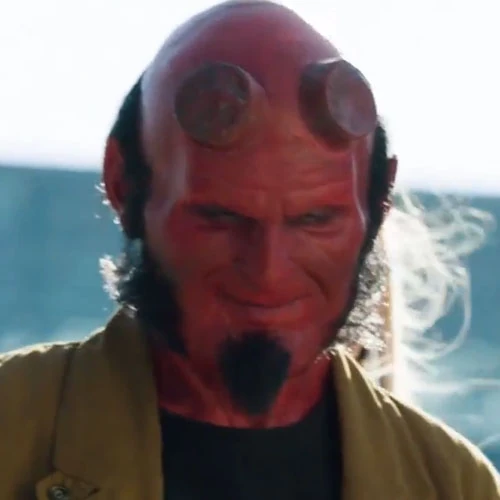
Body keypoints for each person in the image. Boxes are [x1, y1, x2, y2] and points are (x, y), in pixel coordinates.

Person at [1, 1, 499, 498]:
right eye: (221, 218)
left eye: (314, 221)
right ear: (123, 185)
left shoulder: (454, 485)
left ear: (379, 203)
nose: (268, 273)